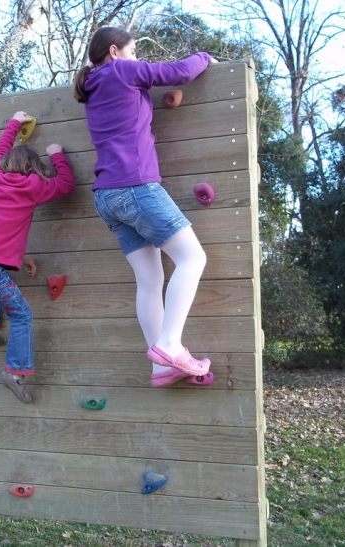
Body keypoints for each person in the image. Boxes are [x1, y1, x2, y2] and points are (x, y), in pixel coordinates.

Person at [73, 27, 217, 388]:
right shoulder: (121, 70)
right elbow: (178, 73)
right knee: (192, 258)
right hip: (135, 186)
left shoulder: (92, 86)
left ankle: (160, 367)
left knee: (150, 280)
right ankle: (170, 346)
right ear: (115, 51)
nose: (137, 57)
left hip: (106, 196)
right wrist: (205, 58)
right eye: (133, 50)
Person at [0, 111, 75, 403]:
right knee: (22, 314)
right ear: (34, 169)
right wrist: (56, 155)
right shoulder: (34, 187)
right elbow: (67, 185)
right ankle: (14, 372)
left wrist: (14, 122)